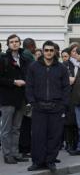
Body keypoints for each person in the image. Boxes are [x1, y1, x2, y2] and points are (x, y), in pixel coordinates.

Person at [26, 40, 70, 172]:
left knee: (54, 136)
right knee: (38, 136)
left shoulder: (62, 68)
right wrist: (33, 102)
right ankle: (38, 162)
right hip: (39, 106)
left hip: (56, 107)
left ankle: (50, 161)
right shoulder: (34, 67)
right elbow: (29, 86)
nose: (49, 53)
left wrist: (63, 104)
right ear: (43, 51)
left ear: (55, 52)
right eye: (46, 50)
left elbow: (66, 88)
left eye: (51, 50)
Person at [0, 34, 31, 164]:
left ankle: (15, 153)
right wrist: (13, 82)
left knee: (16, 128)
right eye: (11, 42)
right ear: (8, 44)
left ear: (20, 43)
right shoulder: (3, 59)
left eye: (16, 41)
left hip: (20, 99)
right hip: (7, 99)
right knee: (6, 129)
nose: (14, 43)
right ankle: (7, 154)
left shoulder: (24, 59)